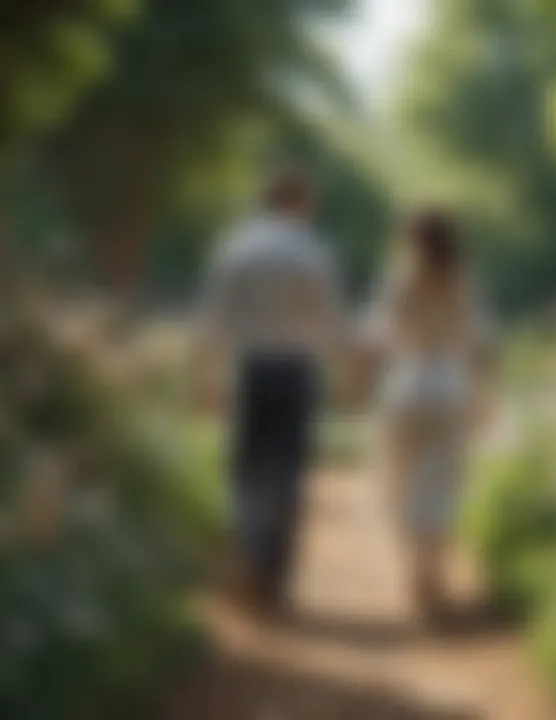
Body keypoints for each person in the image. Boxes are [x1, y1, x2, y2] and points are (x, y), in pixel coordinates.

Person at [195, 167, 344, 616]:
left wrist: (203, 375)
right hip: (296, 370)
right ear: (301, 201)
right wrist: (347, 370)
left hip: (251, 366)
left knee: (246, 466)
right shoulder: (313, 251)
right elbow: (330, 319)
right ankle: (273, 574)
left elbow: (214, 317)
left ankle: (244, 553)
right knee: (288, 472)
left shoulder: (237, 248)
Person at [367, 209, 495, 622]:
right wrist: (483, 399)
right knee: (440, 482)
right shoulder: (464, 283)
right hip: (449, 384)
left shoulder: (400, 280)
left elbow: (383, 335)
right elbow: (477, 343)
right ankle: (432, 572)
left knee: (401, 480)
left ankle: (413, 570)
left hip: (406, 384)